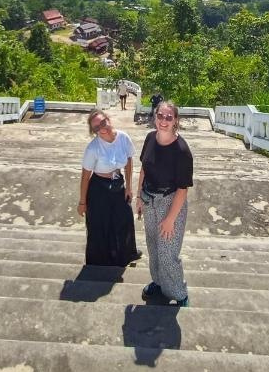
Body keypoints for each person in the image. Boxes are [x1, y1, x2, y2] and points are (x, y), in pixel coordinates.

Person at [136, 100, 193, 307]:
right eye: (160, 116)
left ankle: (179, 293)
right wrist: (138, 197)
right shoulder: (150, 138)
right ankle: (159, 283)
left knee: (168, 253)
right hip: (149, 199)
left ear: (175, 120)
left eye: (169, 117)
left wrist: (170, 219)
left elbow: (183, 189)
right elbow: (144, 168)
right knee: (153, 246)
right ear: (155, 116)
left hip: (170, 202)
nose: (164, 121)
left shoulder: (182, 150)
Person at [77, 108, 139, 266]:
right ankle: (99, 262)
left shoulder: (123, 138)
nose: (102, 128)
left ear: (109, 119)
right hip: (99, 188)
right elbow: (85, 177)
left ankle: (125, 254)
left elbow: (129, 160)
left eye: (103, 123)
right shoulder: (93, 148)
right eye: (97, 128)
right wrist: (82, 202)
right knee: (100, 225)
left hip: (118, 183)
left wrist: (129, 187)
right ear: (94, 132)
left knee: (124, 220)